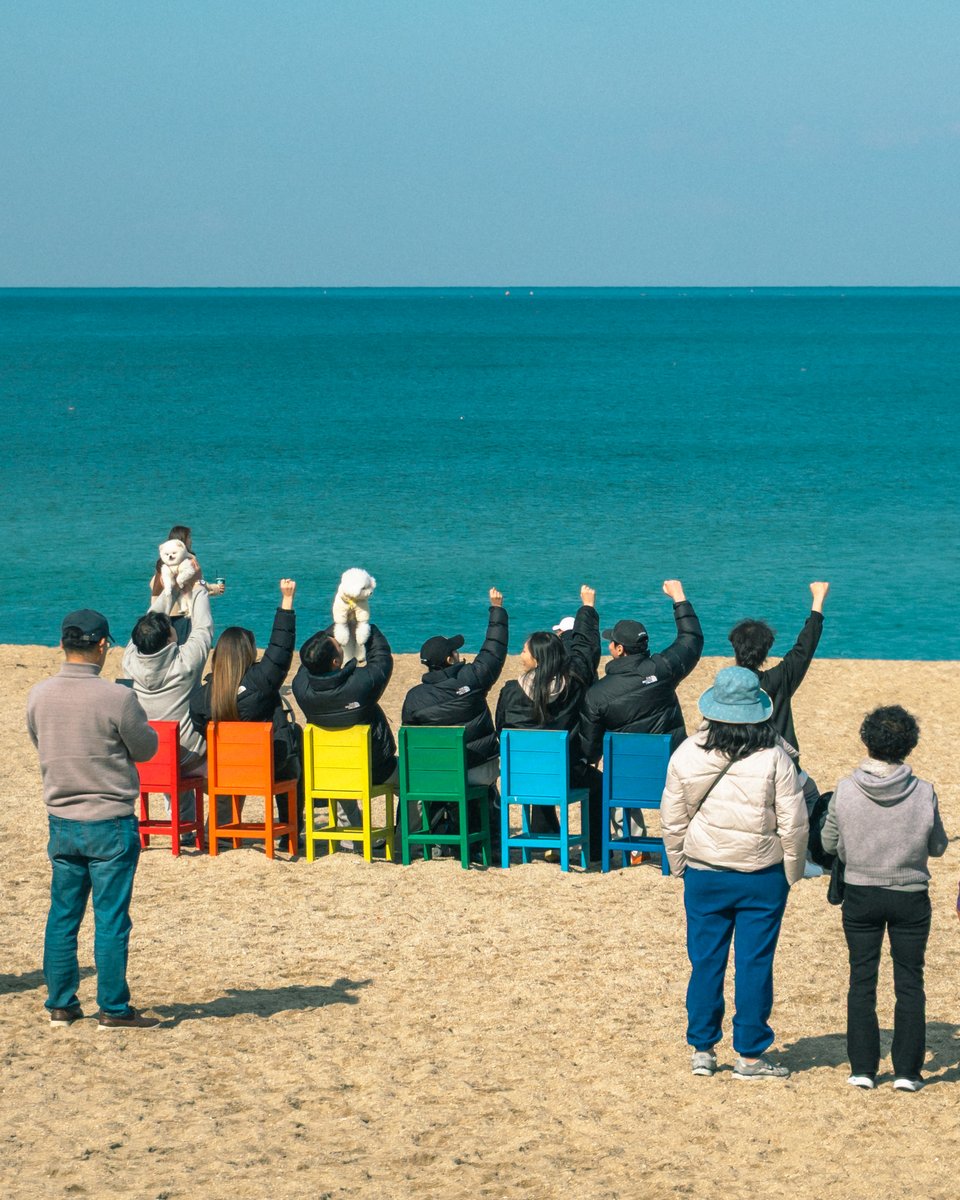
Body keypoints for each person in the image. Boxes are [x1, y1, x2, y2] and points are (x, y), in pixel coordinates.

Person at [660, 666, 808, 1079]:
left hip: (705, 871)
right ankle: (750, 1054)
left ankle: (703, 1049)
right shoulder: (775, 756)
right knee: (754, 963)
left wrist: (678, 865)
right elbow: (793, 824)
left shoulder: (688, 751)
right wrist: (792, 872)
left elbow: (671, 818)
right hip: (761, 873)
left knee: (705, 961)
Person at [26, 609, 161, 1029]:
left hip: (62, 818)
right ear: (102, 645)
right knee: (111, 919)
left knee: (63, 916)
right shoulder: (116, 698)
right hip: (109, 820)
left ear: (62, 645)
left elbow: (38, 741)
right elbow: (146, 749)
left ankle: (61, 1002)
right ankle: (113, 1008)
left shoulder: (39, 694)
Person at [820, 705, 948, 1092]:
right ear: (909, 745)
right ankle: (907, 1071)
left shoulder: (845, 788)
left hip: (861, 892)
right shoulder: (923, 790)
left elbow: (828, 843)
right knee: (909, 981)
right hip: (910, 893)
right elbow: (938, 846)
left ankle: (863, 1068)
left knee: (862, 979)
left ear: (867, 740)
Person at [581, 580, 703, 858]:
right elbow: (692, 639)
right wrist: (679, 597)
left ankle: (631, 846)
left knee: (615, 768)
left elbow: (589, 750)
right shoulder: (663, 668)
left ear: (619, 649)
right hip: (674, 771)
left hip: (628, 778)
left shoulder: (597, 695)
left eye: (611, 642)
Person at [190, 579, 302, 840]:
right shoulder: (260, 683)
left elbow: (199, 724)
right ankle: (291, 832)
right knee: (293, 748)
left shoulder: (204, 696)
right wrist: (286, 601)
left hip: (228, 768)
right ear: (248, 654)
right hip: (266, 768)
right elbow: (280, 650)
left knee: (225, 757)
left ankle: (222, 832)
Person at [495, 585, 601, 858]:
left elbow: (500, 729)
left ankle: (547, 837)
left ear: (536, 659)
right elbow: (586, 652)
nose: (521, 653)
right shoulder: (573, 684)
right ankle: (597, 851)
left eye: (524, 650)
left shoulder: (510, 690)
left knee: (537, 761)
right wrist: (587, 607)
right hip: (562, 771)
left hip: (520, 775)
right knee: (596, 782)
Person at [402, 588, 509, 841]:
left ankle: (436, 830)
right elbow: (494, 651)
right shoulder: (472, 678)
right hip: (477, 769)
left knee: (438, 776)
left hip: (437, 772)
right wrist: (497, 610)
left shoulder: (414, 697)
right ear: (451, 659)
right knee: (487, 785)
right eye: (455, 651)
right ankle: (489, 831)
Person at [122, 578, 214, 832]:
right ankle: (219, 826)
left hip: (149, 754)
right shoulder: (185, 664)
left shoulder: (129, 660)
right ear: (168, 638)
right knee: (223, 764)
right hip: (187, 755)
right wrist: (198, 589)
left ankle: (183, 823)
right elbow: (203, 629)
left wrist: (169, 591)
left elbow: (147, 621)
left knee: (167, 746)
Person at [293, 621, 397, 839]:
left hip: (333, 770)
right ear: (335, 661)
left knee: (341, 770)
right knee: (414, 782)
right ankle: (408, 833)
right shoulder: (359, 684)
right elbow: (382, 660)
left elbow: (310, 660)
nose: (341, 643)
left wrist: (339, 625)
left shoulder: (301, 688)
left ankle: (352, 834)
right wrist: (366, 626)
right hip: (375, 768)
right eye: (337, 644)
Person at [728, 581, 829, 751]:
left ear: (735, 648)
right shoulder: (779, 679)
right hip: (781, 760)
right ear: (765, 651)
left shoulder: (726, 687)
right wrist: (818, 599)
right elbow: (804, 648)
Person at [149, 524, 225, 644]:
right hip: (181, 615)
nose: (191, 540)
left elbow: (152, 583)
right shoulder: (187, 561)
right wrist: (215, 588)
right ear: (183, 541)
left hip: (159, 615)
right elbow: (198, 583)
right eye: (189, 537)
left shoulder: (162, 561)